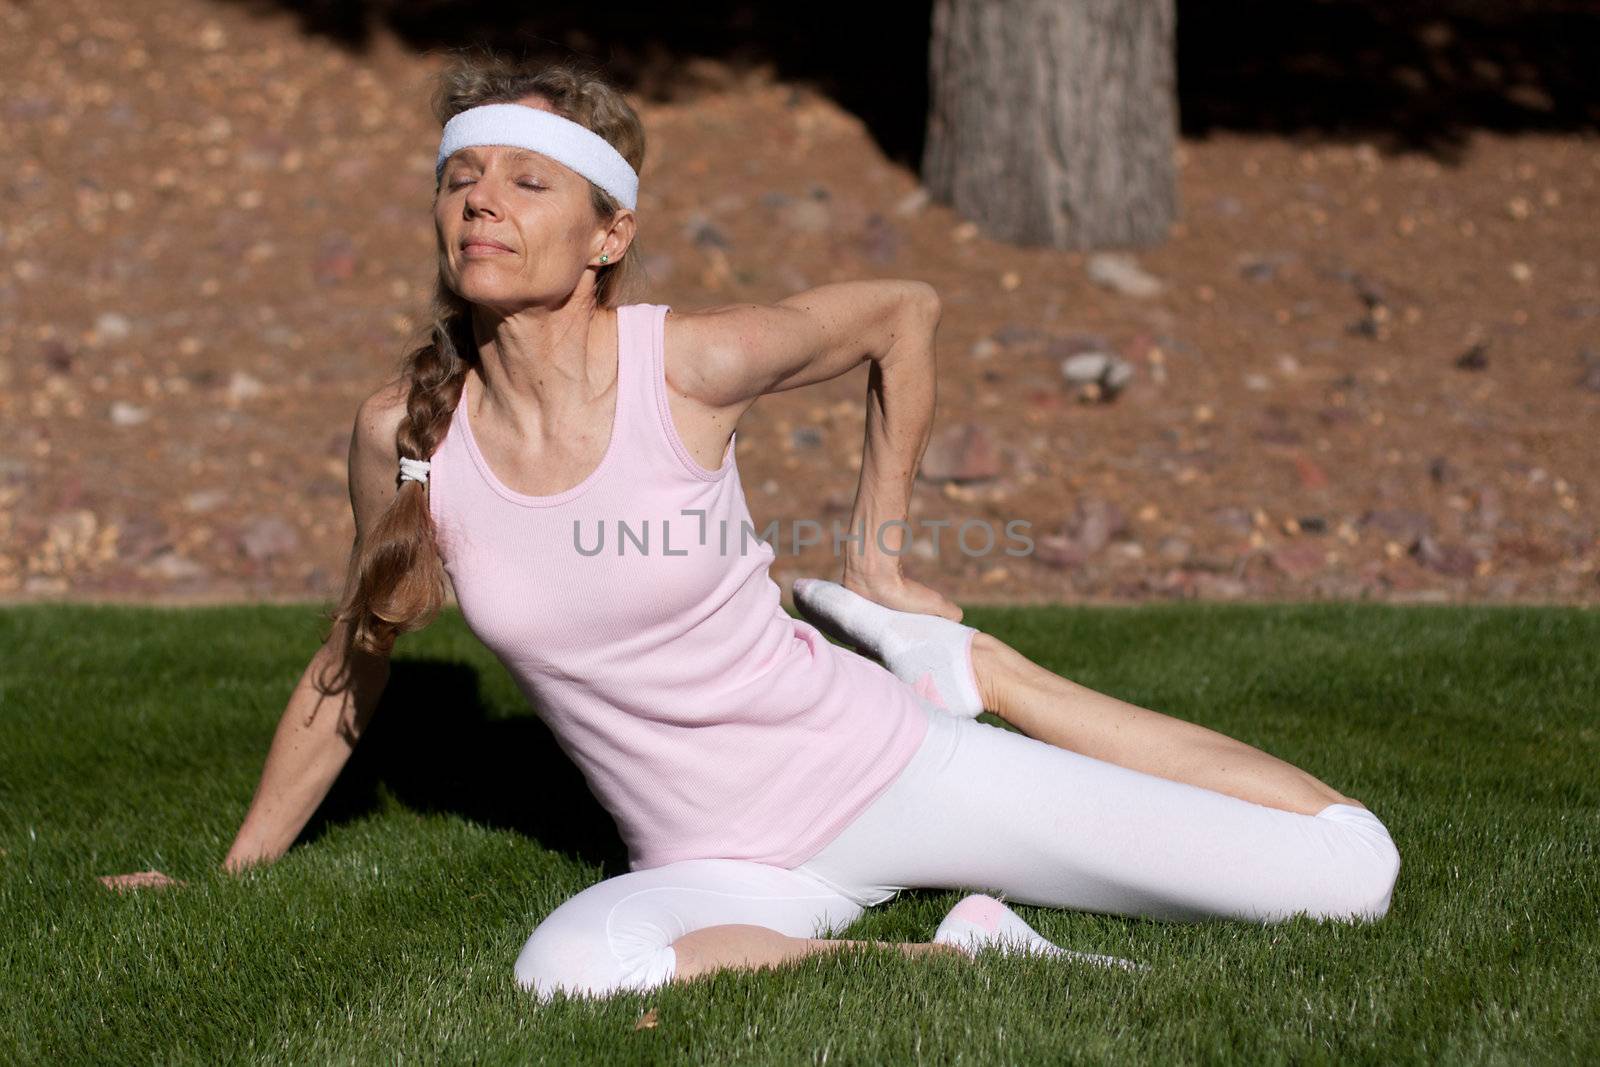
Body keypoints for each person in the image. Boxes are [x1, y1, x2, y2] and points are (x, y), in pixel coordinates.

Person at [211, 53, 1400, 1001]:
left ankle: (991, 674)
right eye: (463, 176)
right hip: (714, 864)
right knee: (566, 969)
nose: (482, 200)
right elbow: (348, 660)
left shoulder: (688, 364)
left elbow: (904, 311)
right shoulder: (407, 436)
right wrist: (232, 876)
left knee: (1349, 877)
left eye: (530, 182)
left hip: (887, 766)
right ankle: (954, 957)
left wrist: (874, 557)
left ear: (608, 233)